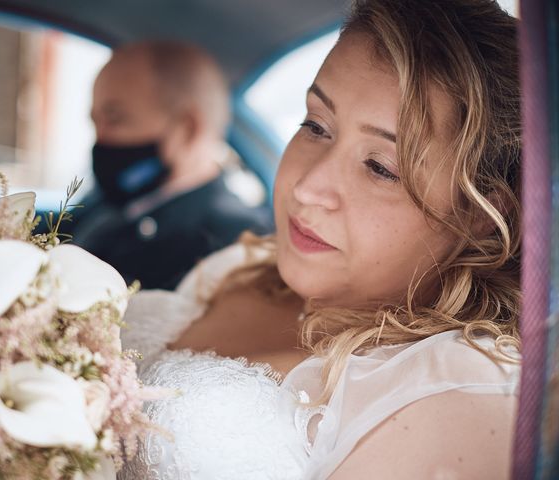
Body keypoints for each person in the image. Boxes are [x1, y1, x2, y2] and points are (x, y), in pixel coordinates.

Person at [119, 0, 521, 478]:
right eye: (316, 125)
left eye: (380, 168)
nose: (307, 188)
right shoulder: (235, 267)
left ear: (478, 214)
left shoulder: (455, 394)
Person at [69, 41, 273, 289]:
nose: (100, 139)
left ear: (188, 130)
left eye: (115, 119)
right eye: (95, 121)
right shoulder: (101, 203)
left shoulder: (236, 245)